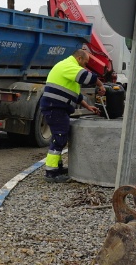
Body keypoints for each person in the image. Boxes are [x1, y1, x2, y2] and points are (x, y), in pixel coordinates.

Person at [39, 49, 105, 183]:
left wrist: (88, 106)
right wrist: (100, 85)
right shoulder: (68, 66)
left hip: (57, 108)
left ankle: (56, 168)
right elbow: (87, 77)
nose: (85, 66)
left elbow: (75, 94)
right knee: (59, 138)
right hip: (55, 108)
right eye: (85, 63)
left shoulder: (68, 68)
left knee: (59, 137)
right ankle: (51, 173)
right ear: (79, 58)